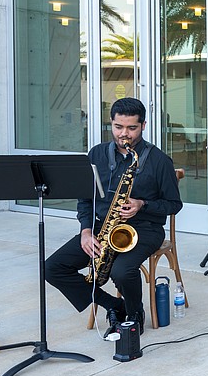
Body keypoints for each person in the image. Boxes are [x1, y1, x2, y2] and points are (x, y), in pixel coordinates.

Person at [46, 98, 183, 338]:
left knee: (121, 271)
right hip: (102, 227)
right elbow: (85, 199)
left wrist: (142, 204)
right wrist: (86, 231)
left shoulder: (159, 160)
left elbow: (174, 205)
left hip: (145, 229)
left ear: (144, 125)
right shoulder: (96, 154)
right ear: (111, 123)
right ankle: (114, 305)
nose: (124, 134)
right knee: (52, 267)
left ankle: (135, 313)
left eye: (132, 128)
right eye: (118, 127)